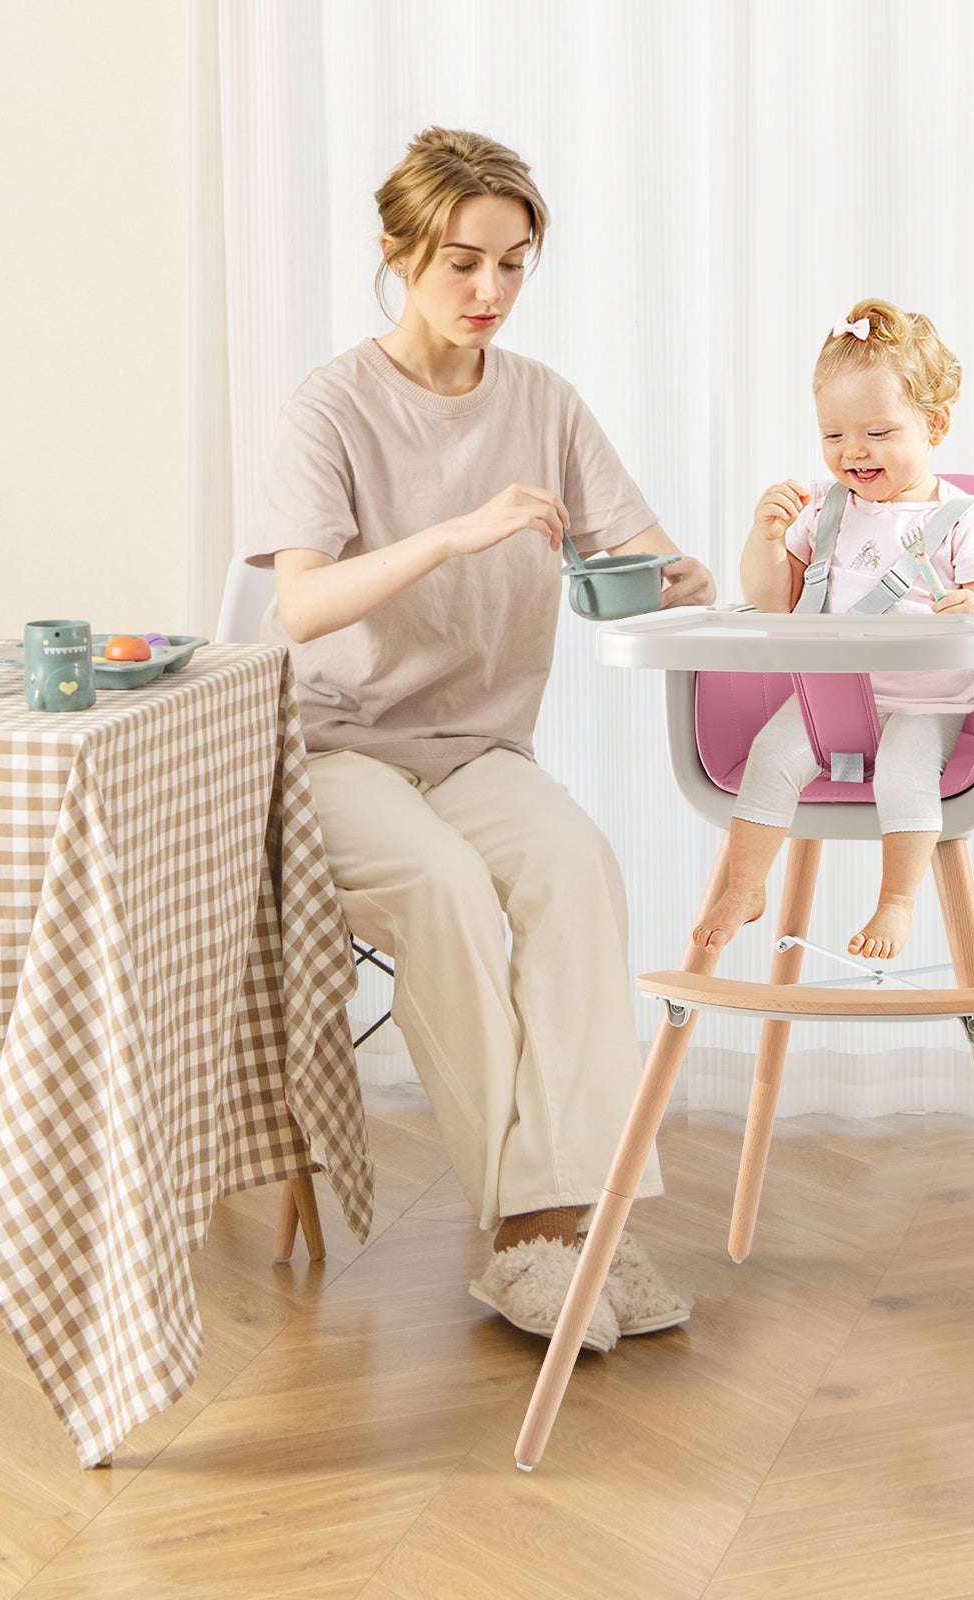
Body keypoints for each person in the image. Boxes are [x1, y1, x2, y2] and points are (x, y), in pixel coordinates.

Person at [242, 127, 714, 1353]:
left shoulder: (543, 401)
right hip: (332, 747)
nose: (489, 292)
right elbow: (299, 607)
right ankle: (524, 1242)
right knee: (448, 892)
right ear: (398, 252)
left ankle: (577, 1226)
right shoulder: (330, 405)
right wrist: (454, 534)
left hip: (477, 746)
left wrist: (677, 573)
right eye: (462, 262)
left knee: (576, 870)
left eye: (513, 264)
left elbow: (629, 550)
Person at [693, 298, 974, 963]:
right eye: (833, 434)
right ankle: (746, 885)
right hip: (830, 698)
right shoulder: (825, 508)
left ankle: (897, 899)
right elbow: (771, 601)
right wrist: (767, 535)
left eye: (877, 431)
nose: (853, 451)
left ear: (935, 424)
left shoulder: (966, 516)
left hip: (924, 698)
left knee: (903, 772)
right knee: (770, 757)